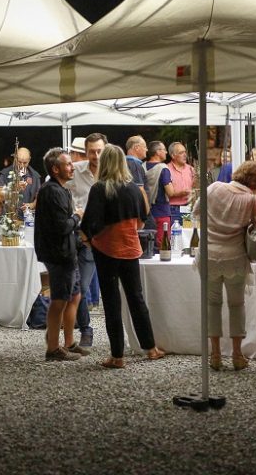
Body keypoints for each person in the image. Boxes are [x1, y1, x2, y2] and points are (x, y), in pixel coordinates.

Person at [81, 144, 164, 368]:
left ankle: (117, 356)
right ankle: (151, 348)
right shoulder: (134, 189)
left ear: (104, 162)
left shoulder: (100, 188)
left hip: (106, 251)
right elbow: (141, 221)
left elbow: (89, 223)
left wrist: (89, 240)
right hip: (131, 249)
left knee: (112, 303)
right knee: (136, 299)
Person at [193, 160, 256, 371]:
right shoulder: (252, 200)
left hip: (209, 256)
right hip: (235, 258)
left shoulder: (214, 188)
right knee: (237, 305)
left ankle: (215, 354)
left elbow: (196, 212)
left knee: (212, 304)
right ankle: (237, 354)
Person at [34, 147, 88, 361]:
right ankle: (53, 348)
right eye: (67, 164)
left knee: (75, 295)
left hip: (67, 251)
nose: (72, 166)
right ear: (56, 169)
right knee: (59, 300)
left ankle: (68, 342)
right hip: (59, 254)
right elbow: (61, 227)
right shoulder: (53, 192)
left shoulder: (61, 189)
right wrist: (77, 216)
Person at [66, 133, 108, 347]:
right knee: (77, 286)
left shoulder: (110, 173)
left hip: (97, 237)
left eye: (99, 151)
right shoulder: (76, 170)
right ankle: (85, 329)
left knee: (82, 285)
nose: (96, 155)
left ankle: (87, 330)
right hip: (75, 234)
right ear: (86, 151)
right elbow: (57, 186)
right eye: (92, 151)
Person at [144, 140, 176, 248]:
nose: (166, 152)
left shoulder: (141, 167)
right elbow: (170, 192)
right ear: (158, 152)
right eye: (164, 150)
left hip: (146, 213)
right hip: (162, 212)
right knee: (163, 246)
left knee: (147, 246)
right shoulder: (163, 169)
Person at [0, 147, 41, 219]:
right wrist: (13, 188)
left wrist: (32, 205)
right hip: (8, 219)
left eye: (25, 163)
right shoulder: (5, 174)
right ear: (15, 159)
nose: (22, 165)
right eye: (19, 162)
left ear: (29, 160)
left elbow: (39, 198)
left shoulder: (35, 176)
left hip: (28, 218)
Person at [166, 141, 195, 224]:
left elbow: (195, 187)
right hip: (173, 210)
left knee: (187, 233)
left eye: (185, 152)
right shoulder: (166, 169)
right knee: (175, 234)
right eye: (181, 153)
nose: (185, 155)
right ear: (173, 156)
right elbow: (166, 192)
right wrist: (180, 193)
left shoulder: (191, 169)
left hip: (188, 208)